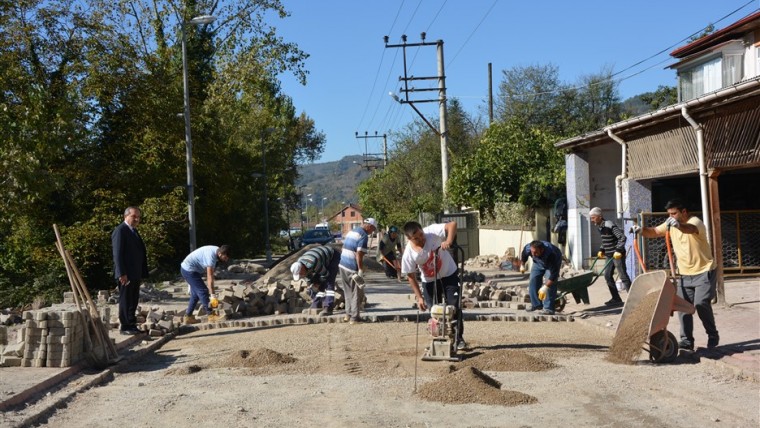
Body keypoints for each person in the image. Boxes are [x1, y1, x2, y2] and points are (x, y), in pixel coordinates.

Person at [631, 199, 719, 350]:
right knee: (682, 306)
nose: (671, 216)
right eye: (669, 214)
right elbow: (654, 232)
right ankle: (686, 341)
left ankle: (712, 334)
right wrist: (640, 230)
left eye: (674, 213)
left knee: (701, 303)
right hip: (684, 275)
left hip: (704, 272)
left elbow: (689, 229)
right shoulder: (670, 223)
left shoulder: (695, 222)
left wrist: (678, 225)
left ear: (683, 212)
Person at [400, 221, 467, 350]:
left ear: (422, 230)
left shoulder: (431, 232)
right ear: (409, 239)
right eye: (416, 238)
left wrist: (448, 240)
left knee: (454, 307)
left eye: (421, 234)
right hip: (429, 281)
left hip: (449, 274)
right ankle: (438, 340)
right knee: (435, 311)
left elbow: (452, 224)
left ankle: (458, 338)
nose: (421, 238)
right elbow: (411, 276)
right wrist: (419, 297)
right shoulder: (409, 253)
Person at [111, 206, 149, 335]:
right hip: (126, 273)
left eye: (138, 217)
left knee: (133, 299)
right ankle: (125, 326)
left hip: (135, 272)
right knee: (126, 299)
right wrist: (121, 273)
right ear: (126, 216)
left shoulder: (133, 231)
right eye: (134, 216)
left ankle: (132, 324)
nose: (137, 219)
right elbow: (118, 254)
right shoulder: (120, 231)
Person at [589, 207, 631, 306]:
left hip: (617, 255)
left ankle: (633, 298)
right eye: (591, 218)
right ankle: (616, 298)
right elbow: (606, 240)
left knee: (623, 276)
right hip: (609, 255)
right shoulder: (599, 227)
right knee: (607, 276)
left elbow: (622, 237)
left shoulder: (609, 224)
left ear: (600, 217)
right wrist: (601, 249)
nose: (592, 220)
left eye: (593, 218)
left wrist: (618, 250)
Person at [339, 218, 377, 324]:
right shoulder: (363, 235)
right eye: (372, 229)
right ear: (369, 226)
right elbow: (359, 254)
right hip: (351, 267)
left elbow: (343, 247)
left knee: (347, 292)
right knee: (356, 292)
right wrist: (360, 269)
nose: (372, 232)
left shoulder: (352, 232)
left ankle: (347, 315)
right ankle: (354, 318)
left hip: (342, 264)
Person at [180, 245, 231, 324]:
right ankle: (211, 315)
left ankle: (188, 317)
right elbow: (210, 277)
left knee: (195, 294)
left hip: (192, 270)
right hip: (188, 270)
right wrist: (212, 295)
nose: (225, 260)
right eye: (225, 258)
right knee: (203, 291)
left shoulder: (217, 251)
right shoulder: (211, 257)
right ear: (220, 253)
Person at [290, 244, 341, 316]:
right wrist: (310, 285)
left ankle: (328, 308)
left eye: (300, 274)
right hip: (321, 260)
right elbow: (307, 277)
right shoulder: (300, 264)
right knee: (314, 286)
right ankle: (316, 305)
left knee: (329, 282)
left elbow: (325, 274)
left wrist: (317, 284)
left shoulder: (312, 263)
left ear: (302, 268)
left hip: (332, 257)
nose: (301, 276)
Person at [519, 240, 563, 315]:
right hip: (538, 263)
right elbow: (524, 255)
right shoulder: (528, 248)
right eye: (532, 252)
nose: (533, 254)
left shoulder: (551, 254)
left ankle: (548, 308)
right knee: (533, 279)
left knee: (549, 283)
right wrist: (522, 265)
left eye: (536, 252)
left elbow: (554, 274)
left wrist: (545, 287)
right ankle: (536, 305)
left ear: (542, 250)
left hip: (551, 264)